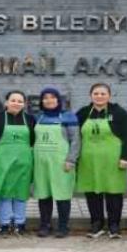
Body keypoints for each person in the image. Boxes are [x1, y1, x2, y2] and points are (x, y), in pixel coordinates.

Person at [76, 83, 127, 239]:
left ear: (109, 95)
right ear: (91, 95)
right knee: (92, 192)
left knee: (113, 192)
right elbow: (75, 137)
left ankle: (114, 225)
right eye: (96, 93)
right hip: (88, 159)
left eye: (102, 93)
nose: (99, 96)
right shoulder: (83, 113)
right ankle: (96, 224)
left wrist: (126, 157)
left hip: (113, 159)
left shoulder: (119, 112)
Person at [33, 87, 80, 238]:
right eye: (45, 98)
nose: (49, 100)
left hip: (62, 162)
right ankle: (45, 225)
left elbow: (75, 141)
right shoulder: (37, 118)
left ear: (58, 100)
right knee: (43, 194)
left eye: (52, 97)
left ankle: (63, 226)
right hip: (41, 163)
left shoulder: (68, 117)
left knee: (62, 194)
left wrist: (71, 160)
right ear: (41, 101)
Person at [0, 91, 35, 237]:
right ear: (6, 102)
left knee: (21, 192)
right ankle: (4, 224)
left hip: (23, 160)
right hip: (2, 161)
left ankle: (20, 223)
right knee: (4, 191)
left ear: (24, 104)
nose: (16, 103)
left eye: (20, 101)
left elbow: (33, 141)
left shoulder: (30, 119)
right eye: (13, 100)